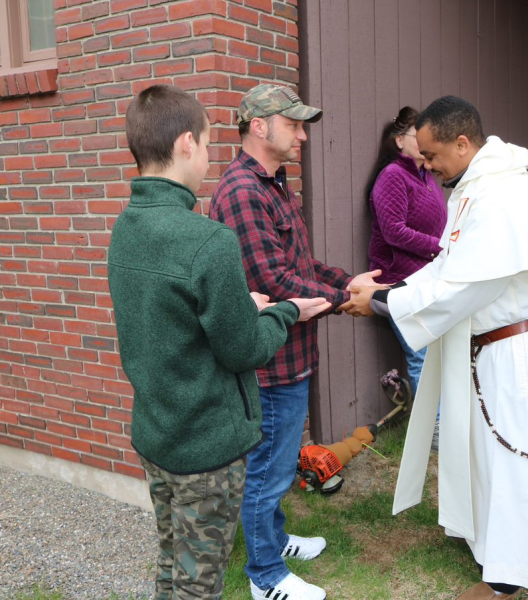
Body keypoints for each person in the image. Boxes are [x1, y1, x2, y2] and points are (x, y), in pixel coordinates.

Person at [341, 95, 528, 598]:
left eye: (430, 155)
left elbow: (467, 286)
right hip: (491, 347)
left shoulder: (503, 194)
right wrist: (392, 294)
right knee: (487, 452)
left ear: (463, 142)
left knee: (515, 459)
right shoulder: (476, 186)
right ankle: (489, 543)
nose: (426, 165)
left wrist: (383, 302)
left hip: (519, 352)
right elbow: (450, 266)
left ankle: (505, 582)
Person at [108, 84, 330, 600]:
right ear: (187, 143)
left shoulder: (125, 228)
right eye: (207, 144)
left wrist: (241, 305)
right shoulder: (206, 240)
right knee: (199, 583)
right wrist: (283, 310)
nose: (210, 157)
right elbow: (244, 350)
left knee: (172, 561)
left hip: (156, 433)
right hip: (205, 446)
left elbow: (169, 316)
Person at [209, 83, 380, 600]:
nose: (303, 135)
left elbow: (299, 266)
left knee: (277, 463)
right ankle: (266, 578)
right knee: (266, 470)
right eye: (294, 124)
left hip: (293, 354)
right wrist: (347, 298)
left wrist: (351, 283)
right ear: (259, 127)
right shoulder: (242, 192)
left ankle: (275, 540)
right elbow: (275, 282)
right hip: (269, 362)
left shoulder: (274, 184)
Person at [364, 106, 447, 418]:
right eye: (419, 136)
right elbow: (394, 232)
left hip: (426, 279)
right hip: (400, 280)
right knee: (421, 356)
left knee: (434, 355)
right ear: (399, 141)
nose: (426, 142)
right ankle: (433, 433)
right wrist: (439, 248)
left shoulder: (426, 176)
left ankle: (440, 426)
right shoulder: (393, 176)